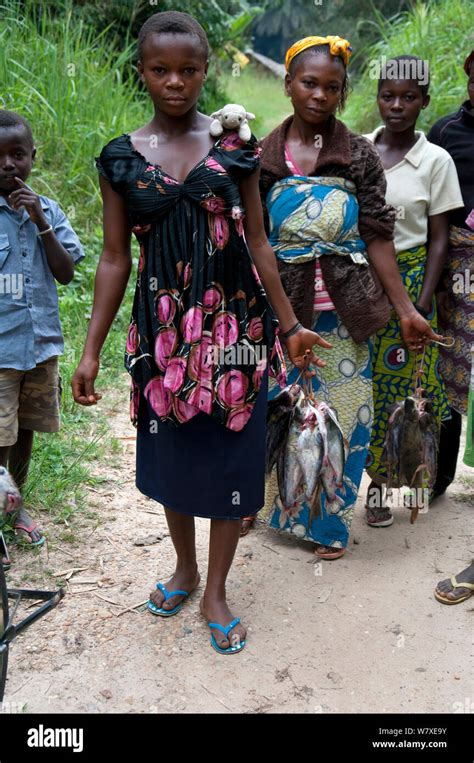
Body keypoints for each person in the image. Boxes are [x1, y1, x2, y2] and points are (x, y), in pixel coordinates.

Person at [71, 12, 330, 655]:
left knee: (228, 456)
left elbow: (261, 243)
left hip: (235, 328)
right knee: (174, 456)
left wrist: (291, 325)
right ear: (142, 73)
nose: (175, 83)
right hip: (163, 336)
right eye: (161, 70)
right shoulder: (121, 159)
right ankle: (184, 568)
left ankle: (215, 587)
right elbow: (112, 258)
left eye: (188, 70)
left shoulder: (236, 149)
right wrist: (91, 348)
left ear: (205, 71)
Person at [256, 36, 439, 560]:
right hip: (283, 313)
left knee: (350, 417)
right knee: (282, 412)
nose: (319, 95)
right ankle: (278, 509)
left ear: (342, 93)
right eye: (309, 83)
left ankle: (329, 526)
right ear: (288, 83)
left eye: (331, 87)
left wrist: (405, 310)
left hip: (344, 311)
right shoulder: (262, 158)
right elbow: (255, 239)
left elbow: (378, 234)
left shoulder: (358, 154)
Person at [364, 56, 464, 524]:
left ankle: (404, 485)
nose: (397, 106)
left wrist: (421, 302)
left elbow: (439, 236)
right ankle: (375, 485)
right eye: (388, 96)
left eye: (408, 98)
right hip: (363, 283)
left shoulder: (436, 160)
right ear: (377, 99)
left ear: (424, 101)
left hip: (413, 281)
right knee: (366, 389)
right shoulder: (359, 151)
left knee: (409, 392)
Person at [0, 110, 84, 563]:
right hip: (0, 349)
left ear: (33, 156)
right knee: (0, 433)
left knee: (26, 428)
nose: (8, 165)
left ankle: (16, 506)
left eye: (17, 155)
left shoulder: (46, 209)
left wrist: (41, 223)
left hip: (39, 346)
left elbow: (67, 272)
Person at [426, 50, 474, 499]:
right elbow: (433, 211)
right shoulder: (445, 132)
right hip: (458, 263)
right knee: (452, 368)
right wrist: (437, 282)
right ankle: (441, 475)